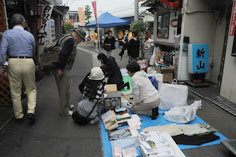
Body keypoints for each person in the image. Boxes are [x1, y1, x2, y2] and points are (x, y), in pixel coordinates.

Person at [0, 13, 36, 123]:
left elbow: (2, 51)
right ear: (23, 23)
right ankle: (31, 111)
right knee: (31, 89)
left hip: (13, 62)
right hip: (28, 61)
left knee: (15, 91)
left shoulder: (7, 34)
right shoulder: (29, 35)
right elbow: (33, 50)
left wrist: (4, 64)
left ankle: (19, 115)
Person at [55, 28, 86, 116]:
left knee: (65, 89)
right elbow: (63, 55)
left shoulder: (66, 37)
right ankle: (64, 110)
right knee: (64, 90)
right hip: (63, 68)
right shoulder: (70, 41)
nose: (80, 41)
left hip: (62, 67)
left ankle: (67, 105)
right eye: (80, 39)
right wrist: (60, 69)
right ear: (76, 36)